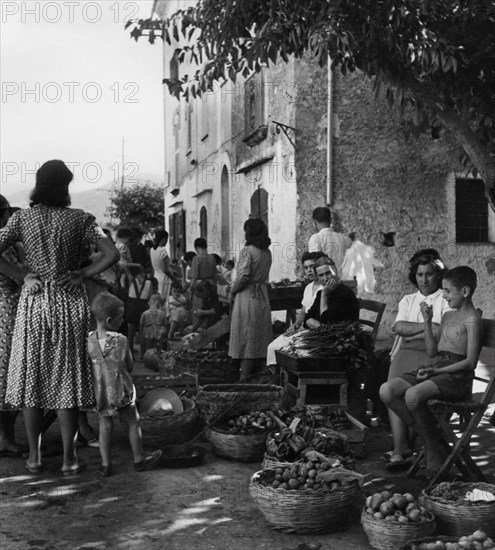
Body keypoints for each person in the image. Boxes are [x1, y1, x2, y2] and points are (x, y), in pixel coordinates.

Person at [0, 160, 120, 476]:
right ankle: (69, 459)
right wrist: (83, 273)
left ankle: (35, 458)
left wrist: (20, 274)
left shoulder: (21, 219)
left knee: (32, 378)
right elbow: (111, 254)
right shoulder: (81, 219)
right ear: (65, 187)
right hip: (69, 301)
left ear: (39, 185)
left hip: (35, 303)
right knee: (65, 377)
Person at [380, 266, 482, 478]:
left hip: (456, 378)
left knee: (412, 395)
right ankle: (432, 439)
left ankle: (433, 448)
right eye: (443, 291)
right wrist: (427, 322)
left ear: (464, 292)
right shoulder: (448, 316)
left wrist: (436, 372)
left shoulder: (472, 320)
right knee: (387, 390)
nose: (443, 296)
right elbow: (432, 351)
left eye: (447, 291)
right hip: (437, 367)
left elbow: (470, 363)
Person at [380, 249, 450, 471]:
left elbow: (442, 332)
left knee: (404, 392)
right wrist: (426, 327)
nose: (424, 279)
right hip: (406, 351)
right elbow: (397, 327)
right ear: (415, 276)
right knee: (391, 385)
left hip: (432, 354)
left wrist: (414, 330)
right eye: (420, 275)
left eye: (429, 274)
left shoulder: (446, 298)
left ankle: (427, 442)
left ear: (438, 275)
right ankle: (401, 447)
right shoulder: (409, 300)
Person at [88, 292, 162, 477]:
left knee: (105, 426)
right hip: (122, 391)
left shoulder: (88, 341)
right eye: (121, 317)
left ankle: (105, 465)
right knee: (133, 422)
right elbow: (129, 365)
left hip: (101, 393)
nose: (124, 320)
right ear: (109, 320)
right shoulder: (121, 340)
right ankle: (139, 459)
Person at [0, 195, 28, 457]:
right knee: (9, 377)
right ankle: (6, 439)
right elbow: (21, 277)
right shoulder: (5, 244)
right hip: (7, 315)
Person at [229, 218, 273, 382]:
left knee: (246, 338)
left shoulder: (248, 250)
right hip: (262, 296)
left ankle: (244, 380)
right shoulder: (266, 252)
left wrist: (232, 291)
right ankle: (261, 381)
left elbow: (243, 276)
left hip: (248, 296)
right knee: (262, 338)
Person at [266, 251, 324, 367]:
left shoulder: (324, 289)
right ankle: (278, 378)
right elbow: (303, 311)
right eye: (306, 267)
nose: (308, 270)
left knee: (285, 350)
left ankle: (284, 378)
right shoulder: (308, 287)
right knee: (272, 347)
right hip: (302, 328)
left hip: (314, 330)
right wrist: (295, 325)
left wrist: (302, 328)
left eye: (312, 267)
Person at [303, 256, 359, 328]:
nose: (325, 279)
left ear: (335, 271)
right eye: (321, 275)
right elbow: (307, 318)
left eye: (328, 273)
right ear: (317, 278)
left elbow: (327, 321)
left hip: (343, 336)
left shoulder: (344, 293)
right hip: (324, 335)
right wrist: (316, 324)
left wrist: (324, 295)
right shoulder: (320, 293)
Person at [308, 207, 352, 277]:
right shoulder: (346, 239)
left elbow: (314, 265)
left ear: (314, 222)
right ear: (330, 220)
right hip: (345, 282)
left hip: (327, 282)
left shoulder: (316, 238)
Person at [149, 230, 178, 313]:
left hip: (156, 276)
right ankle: (163, 318)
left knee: (156, 300)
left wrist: (171, 265)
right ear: (164, 239)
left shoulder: (152, 250)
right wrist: (173, 278)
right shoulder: (162, 251)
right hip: (164, 278)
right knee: (163, 301)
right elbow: (164, 269)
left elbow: (157, 264)